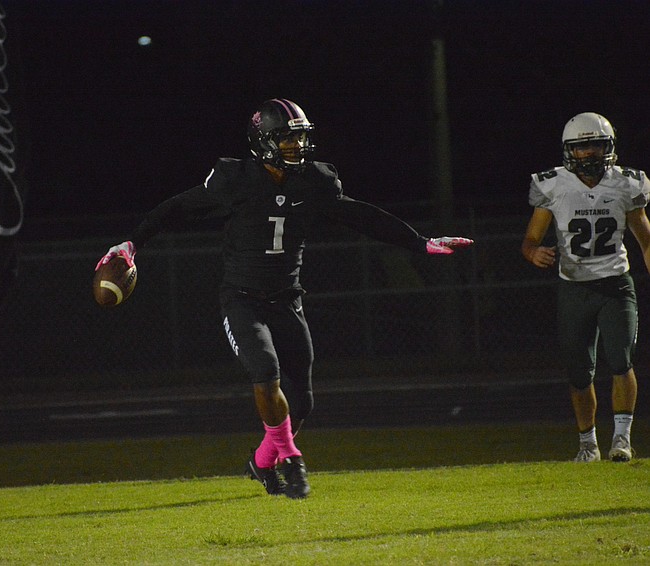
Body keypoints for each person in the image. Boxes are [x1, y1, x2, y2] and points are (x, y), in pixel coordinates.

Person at [97, 98, 473, 498]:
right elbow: (177, 208)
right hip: (242, 298)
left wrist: (421, 243)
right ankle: (292, 460)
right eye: (288, 139)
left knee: (303, 403)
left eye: (300, 138)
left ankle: (260, 462)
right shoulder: (235, 178)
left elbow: (362, 216)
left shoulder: (315, 181)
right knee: (265, 368)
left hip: (287, 299)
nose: (297, 146)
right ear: (263, 142)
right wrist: (132, 242)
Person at [521, 112, 650, 463]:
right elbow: (530, 241)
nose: (590, 154)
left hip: (615, 284)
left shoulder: (626, 183)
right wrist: (534, 254)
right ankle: (588, 445)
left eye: (596, 145)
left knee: (622, 360)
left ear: (609, 147)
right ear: (569, 151)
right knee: (579, 372)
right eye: (582, 147)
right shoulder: (553, 185)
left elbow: (646, 241)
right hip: (574, 288)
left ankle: (621, 439)